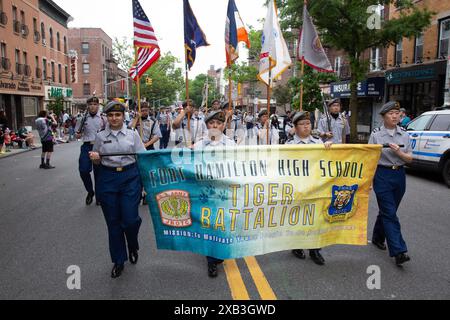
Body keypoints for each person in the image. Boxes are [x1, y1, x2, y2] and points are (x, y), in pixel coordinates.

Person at [89, 101, 146, 278]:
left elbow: (142, 157)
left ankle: (132, 244)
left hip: (130, 177)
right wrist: (95, 158)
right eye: (111, 115)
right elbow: (97, 161)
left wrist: (146, 184)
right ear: (106, 117)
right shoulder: (100, 136)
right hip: (108, 179)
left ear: (123, 116)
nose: (114, 118)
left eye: (118, 115)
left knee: (130, 219)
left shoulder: (133, 134)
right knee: (113, 223)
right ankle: (118, 260)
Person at [369, 101, 412, 267]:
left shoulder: (405, 134)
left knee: (389, 211)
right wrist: (369, 181)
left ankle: (377, 237)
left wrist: (399, 152)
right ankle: (399, 251)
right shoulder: (376, 135)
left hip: (399, 175)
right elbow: (370, 159)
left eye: (397, 113)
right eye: (391, 113)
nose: (395, 116)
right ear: (383, 116)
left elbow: (410, 158)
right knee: (389, 213)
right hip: (382, 175)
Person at [193, 110, 236, 277]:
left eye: (218, 123)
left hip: (225, 190)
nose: (215, 126)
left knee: (223, 223)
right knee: (210, 224)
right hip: (206, 191)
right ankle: (211, 260)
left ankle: (218, 253)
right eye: (212, 123)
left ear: (223, 125)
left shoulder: (232, 145)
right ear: (207, 125)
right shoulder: (198, 146)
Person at [287, 111, 332, 265]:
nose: (306, 127)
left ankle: (315, 250)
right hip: (298, 187)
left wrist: (328, 149)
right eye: (302, 124)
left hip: (315, 186)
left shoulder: (319, 143)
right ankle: (297, 245)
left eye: (308, 124)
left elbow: (327, 163)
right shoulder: (289, 146)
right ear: (295, 127)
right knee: (299, 217)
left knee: (317, 218)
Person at [75, 96, 107, 206]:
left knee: (99, 173)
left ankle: (99, 196)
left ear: (98, 105)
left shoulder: (104, 118)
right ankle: (90, 191)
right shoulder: (82, 119)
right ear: (87, 106)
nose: (92, 106)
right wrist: (78, 134)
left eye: (95, 104)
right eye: (90, 104)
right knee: (83, 170)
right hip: (87, 146)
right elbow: (77, 134)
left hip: (100, 147)